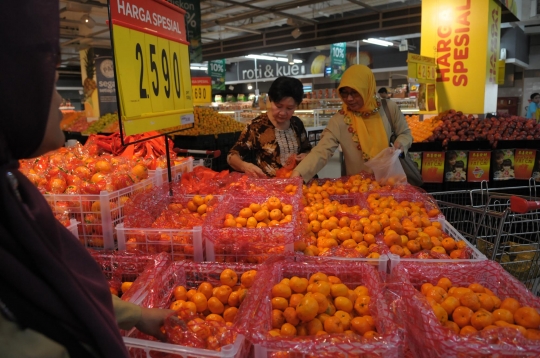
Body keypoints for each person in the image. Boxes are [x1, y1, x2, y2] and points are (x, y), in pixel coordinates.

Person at [0, 2, 171, 357]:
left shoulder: (14, 192)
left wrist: (135, 313)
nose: (62, 98)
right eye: (49, 73)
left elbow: (62, 282)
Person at [291, 65, 412, 181]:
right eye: (344, 93)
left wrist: (401, 144)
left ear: (367, 89)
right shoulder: (340, 120)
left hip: (391, 181)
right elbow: (322, 150)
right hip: (358, 186)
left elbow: (405, 133)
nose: (349, 98)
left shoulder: (388, 108)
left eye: (354, 92)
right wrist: (299, 173)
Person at [228, 76, 312, 177]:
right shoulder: (257, 126)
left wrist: (306, 156)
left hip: (295, 186)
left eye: (289, 108)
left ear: (296, 106)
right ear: (270, 100)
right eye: (278, 106)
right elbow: (232, 156)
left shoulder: (297, 124)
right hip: (269, 189)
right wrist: (245, 166)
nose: (283, 113)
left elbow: (307, 149)